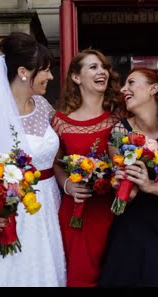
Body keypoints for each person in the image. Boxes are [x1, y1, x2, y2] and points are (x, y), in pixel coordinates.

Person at [0, 32, 66, 286]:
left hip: (50, 204)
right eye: (45, 70)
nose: (51, 77)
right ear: (24, 72)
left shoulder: (44, 106)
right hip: (14, 210)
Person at [98, 67, 158, 286]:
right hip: (134, 217)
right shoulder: (119, 132)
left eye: (131, 82)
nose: (124, 89)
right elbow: (125, 196)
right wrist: (121, 184)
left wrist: (149, 186)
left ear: (154, 88)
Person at [51, 49, 121, 287]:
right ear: (76, 77)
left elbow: (153, 95)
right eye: (93, 67)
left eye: (103, 66)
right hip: (77, 212)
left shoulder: (119, 116)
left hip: (115, 209)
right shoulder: (60, 121)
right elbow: (55, 162)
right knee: (80, 275)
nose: (101, 71)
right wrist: (68, 184)